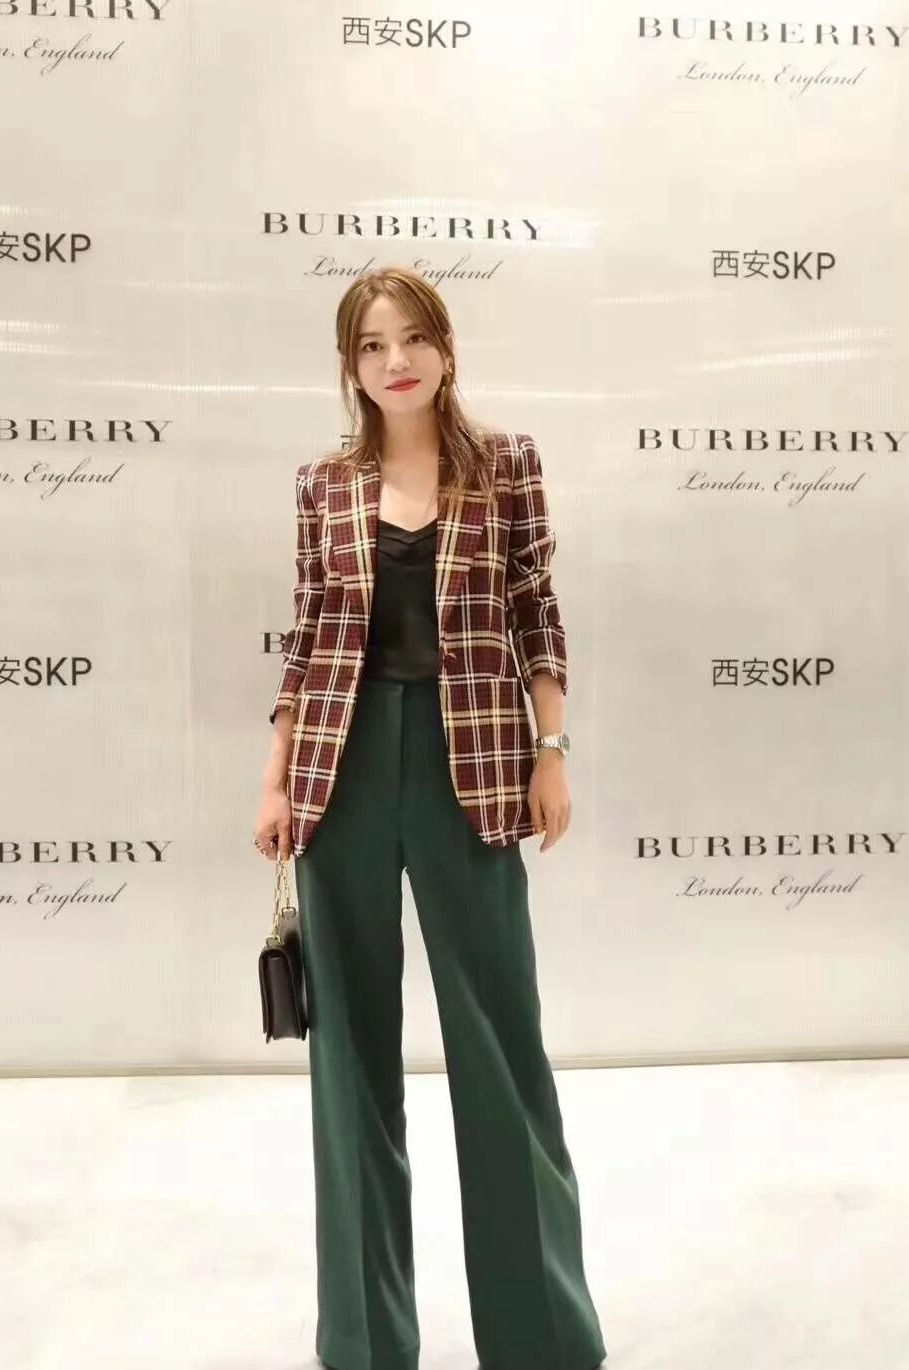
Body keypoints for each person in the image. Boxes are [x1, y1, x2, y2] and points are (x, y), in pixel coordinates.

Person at [252, 266, 607, 1370]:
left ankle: (541, 1336)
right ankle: (365, 1341)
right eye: (370, 345)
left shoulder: (505, 465)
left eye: (412, 338)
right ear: (350, 366)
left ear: (446, 349)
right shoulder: (323, 484)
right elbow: (309, 637)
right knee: (350, 1061)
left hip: (475, 771)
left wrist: (551, 750)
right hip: (342, 771)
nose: (394, 360)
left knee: (499, 1043)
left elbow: (534, 609)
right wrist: (276, 778)